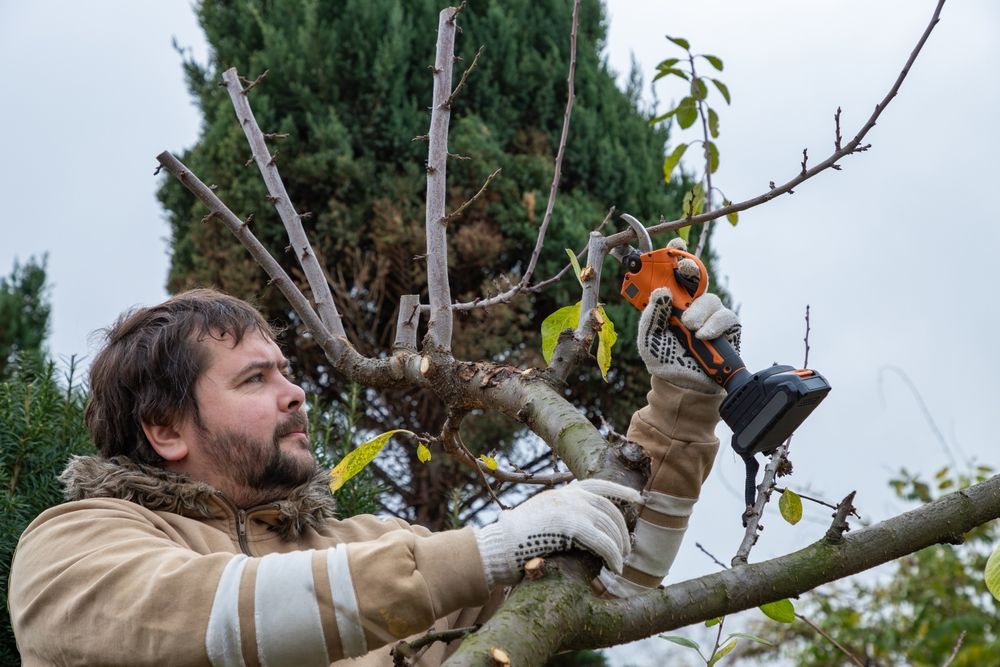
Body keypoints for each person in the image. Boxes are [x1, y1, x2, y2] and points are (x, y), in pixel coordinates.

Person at [8, 248, 736, 665]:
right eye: (254, 379)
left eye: (287, 369)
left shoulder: (375, 545)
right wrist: (487, 550)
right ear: (166, 428)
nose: (295, 393)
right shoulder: (72, 549)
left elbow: (616, 582)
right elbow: (222, 614)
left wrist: (681, 404)